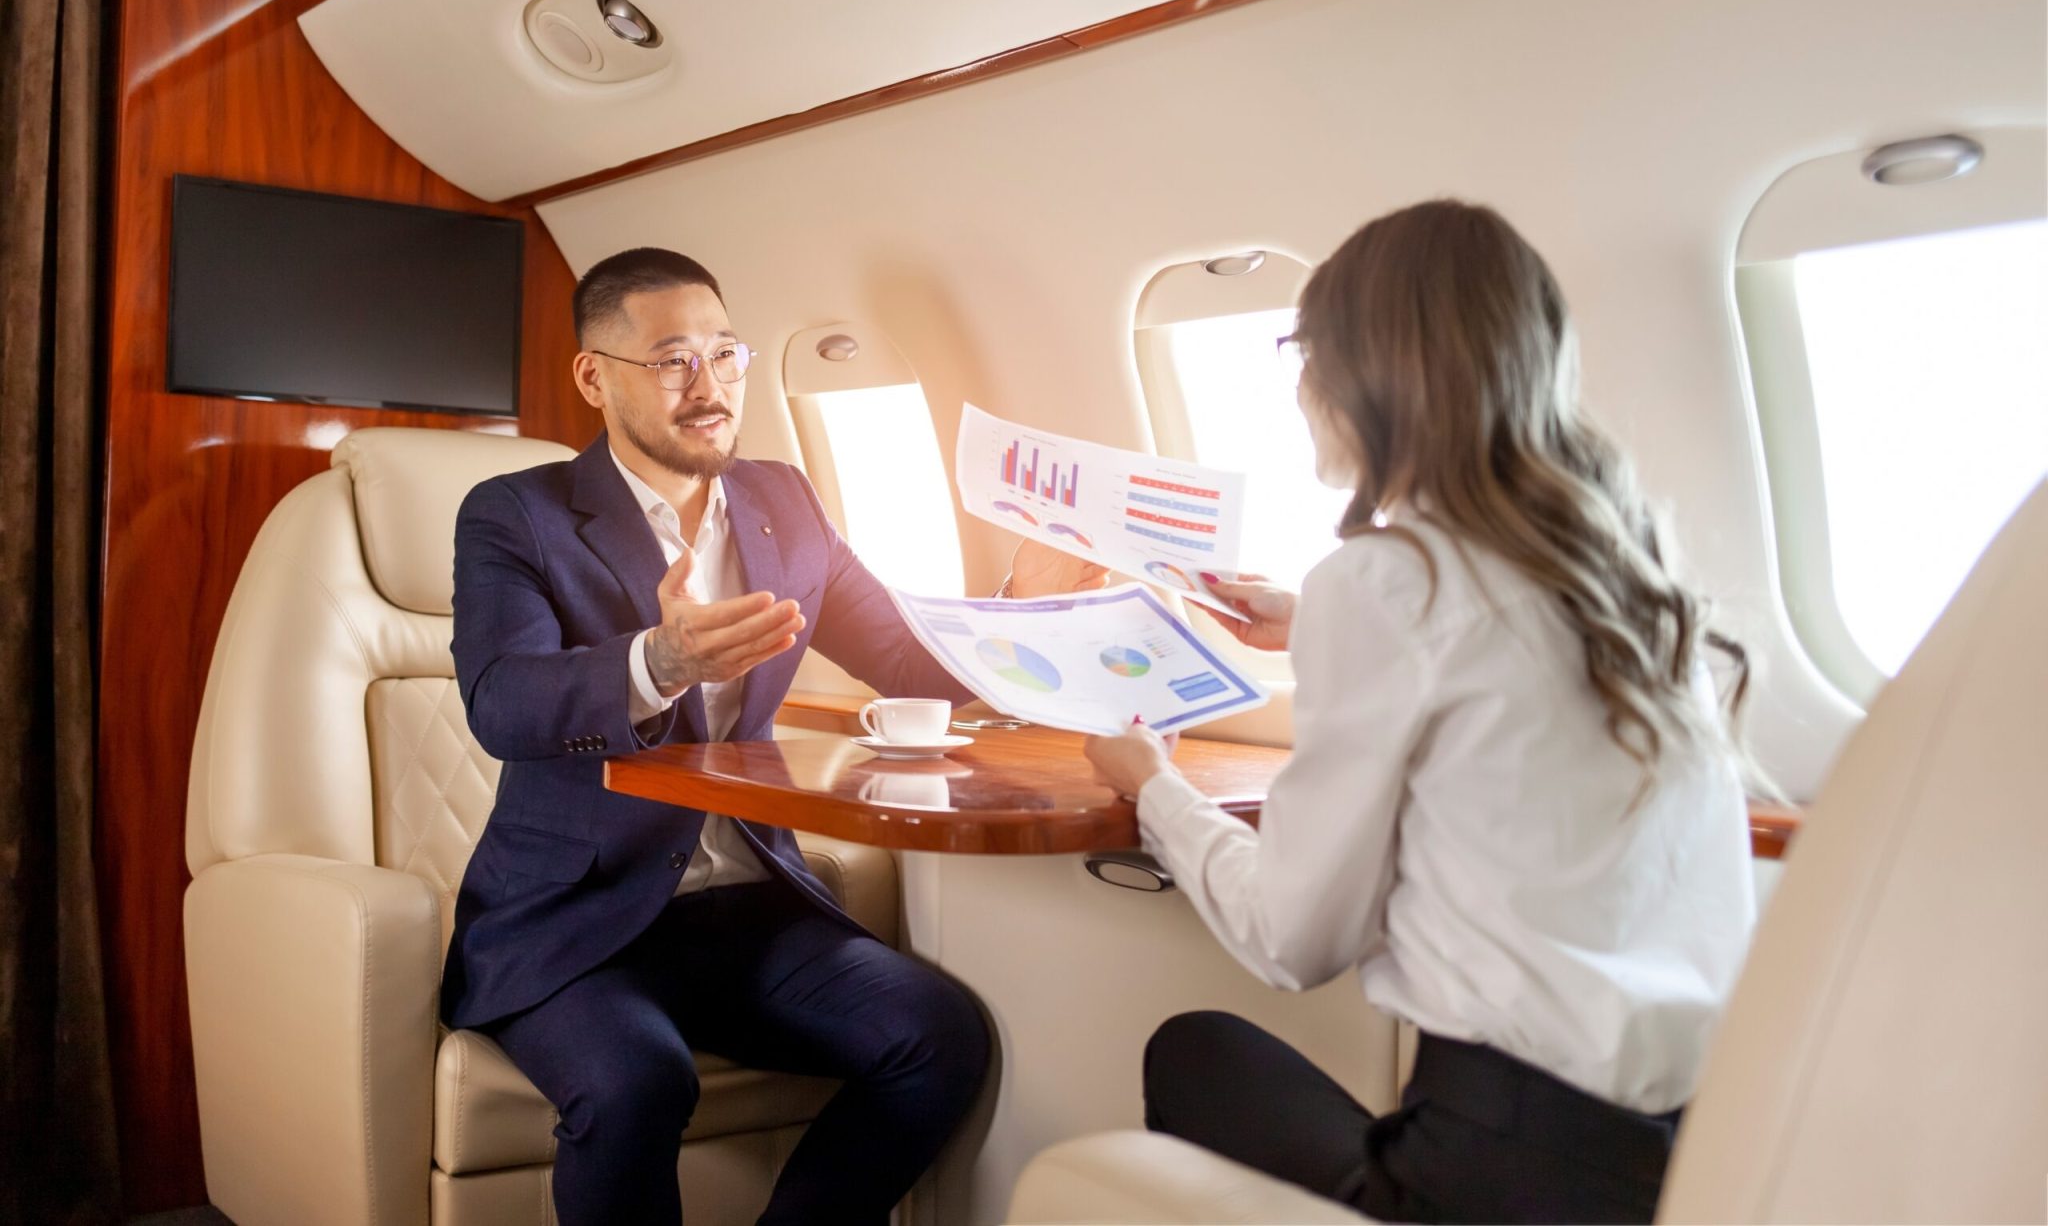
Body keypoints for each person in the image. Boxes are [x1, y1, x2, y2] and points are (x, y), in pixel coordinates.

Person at [1083, 200, 1764, 1224]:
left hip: (1492, 1179)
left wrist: (1155, 791)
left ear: (1360, 372)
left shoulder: (1385, 581)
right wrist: (1309, 620)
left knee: (1193, 1050)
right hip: (1684, 1162)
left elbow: (1290, 940)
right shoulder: (1632, 580)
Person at [443, 246, 1104, 1226]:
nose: (709, 386)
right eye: (671, 359)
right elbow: (502, 703)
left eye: (726, 353)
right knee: (635, 1086)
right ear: (594, 375)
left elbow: (909, 659)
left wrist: (1018, 609)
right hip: (574, 924)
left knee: (938, 1034)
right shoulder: (518, 514)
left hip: (747, 914)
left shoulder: (783, 501)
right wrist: (656, 662)